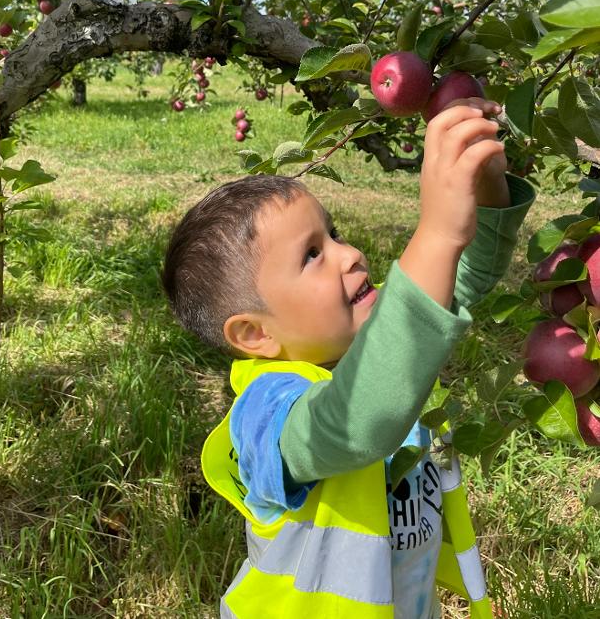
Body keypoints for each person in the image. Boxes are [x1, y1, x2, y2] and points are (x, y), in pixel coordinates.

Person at [162, 99, 535, 619]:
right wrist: (437, 232)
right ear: (255, 334)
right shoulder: (266, 415)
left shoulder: (374, 351)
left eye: (333, 233)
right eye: (312, 254)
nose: (350, 252)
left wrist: (485, 185)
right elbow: (356, 420)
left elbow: (464, 279)